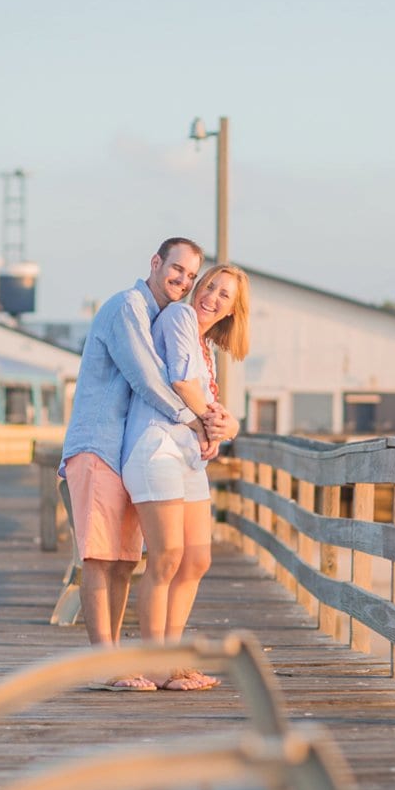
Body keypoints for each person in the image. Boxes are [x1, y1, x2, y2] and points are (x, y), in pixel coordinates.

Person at [59, 237, 225, 689]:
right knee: (97, 559)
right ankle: (105, 666)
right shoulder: (128, 307)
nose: (184, 281)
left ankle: (122, 664)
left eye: (191, 276)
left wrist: (214, 419)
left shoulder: (160, 316)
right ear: (155, 262)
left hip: (122, 450)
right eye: (178, 269)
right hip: (97, 445)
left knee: (122, 562)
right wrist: (196, 422)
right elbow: (148, 378)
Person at [122, 263, 248, 689]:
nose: (210, 296)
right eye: (209, 285)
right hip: (156, 446)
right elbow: (182, 385)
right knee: (167, 557)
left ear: (233, 311)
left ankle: (172, 660)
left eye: (223, 295)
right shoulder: (179, 317)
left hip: (189, 455)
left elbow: (215, 408)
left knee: (197, 559)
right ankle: (156, 663)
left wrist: (226, 426)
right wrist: (219, 424)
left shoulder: (204, 343)